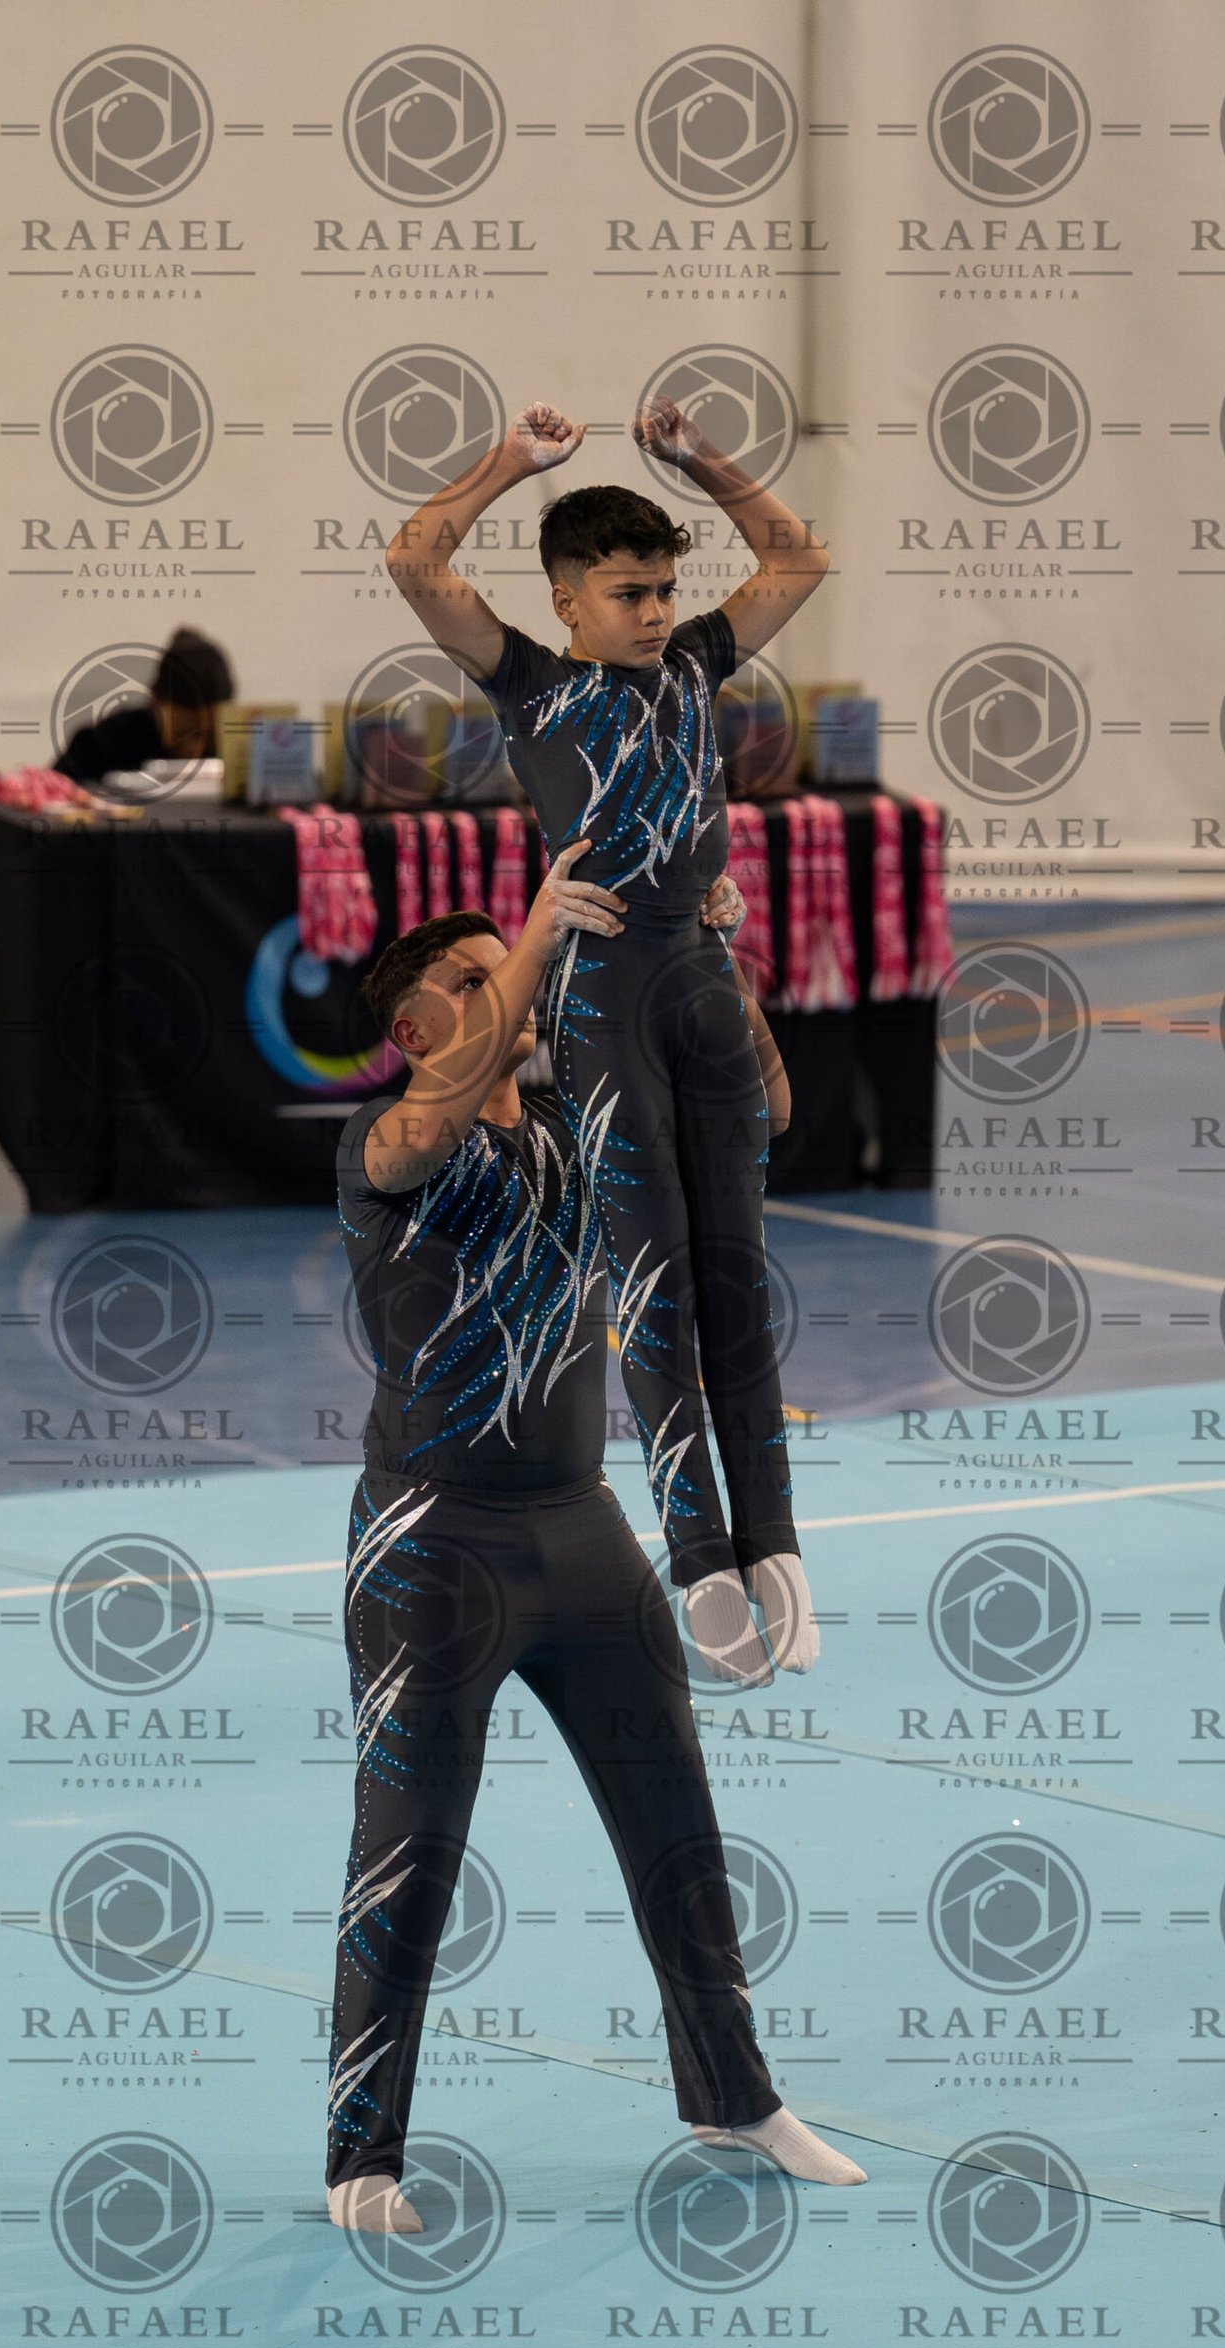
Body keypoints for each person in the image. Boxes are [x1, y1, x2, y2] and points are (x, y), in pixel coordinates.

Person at [325, 851, 867, 2233]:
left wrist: (714, 963)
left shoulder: (580, 1127)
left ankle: (734, 2093)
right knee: (411, 1850)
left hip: (582, 1531)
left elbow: (760, 1110)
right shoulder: (385, 1147)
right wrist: (532, 938)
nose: (504, 990)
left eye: (501, 972)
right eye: (469, 981)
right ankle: (362, 2156)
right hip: (431, 1548)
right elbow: (436, 1121)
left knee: (677, 1821)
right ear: (414, 1029)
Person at [383, 395, 830, 1683]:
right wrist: (509, 460)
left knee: (735, 1277)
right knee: (655, 1289)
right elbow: (415, 558)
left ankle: (778, 1549)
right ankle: (699, 1561)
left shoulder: (693, 664)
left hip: (700, 984)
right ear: (567, 600)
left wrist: (699, 459)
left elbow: (797, 557)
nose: (654, 610)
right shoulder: (533, 684)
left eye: (664, 588)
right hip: (602, 999)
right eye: (628, 592)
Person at [51, 626, 234, 784]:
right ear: (154, 700)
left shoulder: (239, 752)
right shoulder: (104, 744)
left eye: (210, 736)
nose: (194, 750)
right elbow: (49, 793)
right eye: (182, 734)